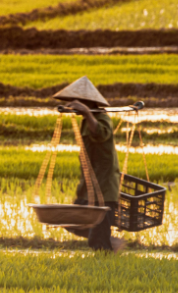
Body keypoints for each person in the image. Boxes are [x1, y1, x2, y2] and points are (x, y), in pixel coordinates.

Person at [53, 76, 125, 253]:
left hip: (104, 186)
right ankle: (107, 239)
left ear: (87, 102)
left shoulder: (102, 118)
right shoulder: (88, 120)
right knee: (71, 221)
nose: (74, 105)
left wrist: (86, 112)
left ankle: (107, 251)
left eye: (77, 102)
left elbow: (100, 133)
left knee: (97, 241)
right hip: (90, 185)